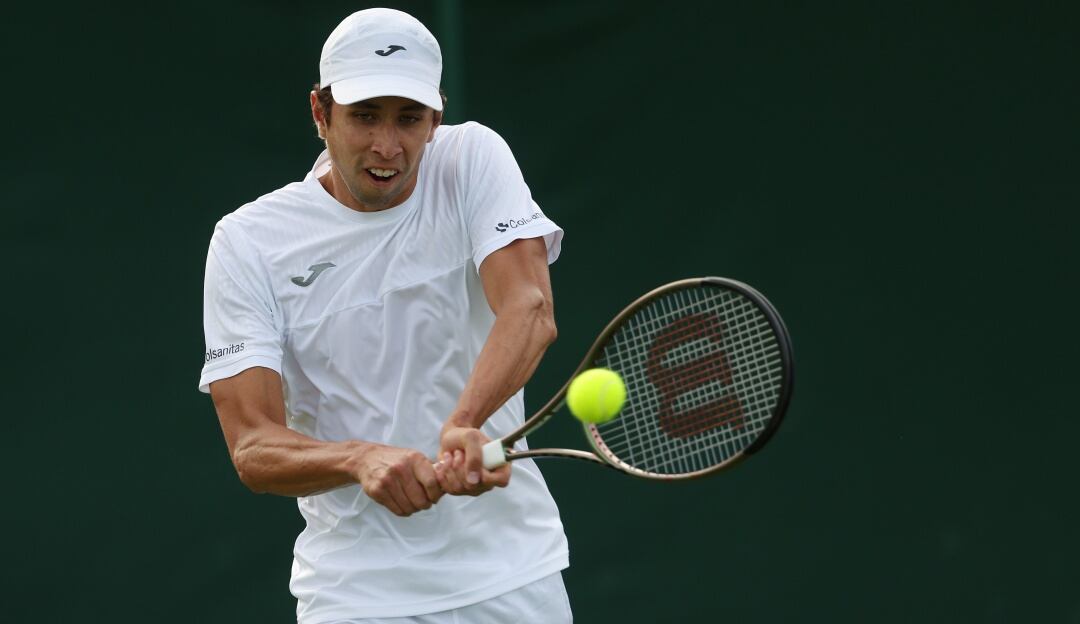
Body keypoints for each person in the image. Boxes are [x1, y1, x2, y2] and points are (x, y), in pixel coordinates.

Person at [198, 8, 572, 623]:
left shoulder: (473, 158)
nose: (387, 146)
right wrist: (360, 458)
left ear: (437, 117)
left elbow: (529, 307)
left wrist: (466, 421)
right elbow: (253, 446)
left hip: (512, 578)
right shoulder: (249, 242)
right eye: (365, 116)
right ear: (320, 113)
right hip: (355, 597)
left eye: (409, 118)